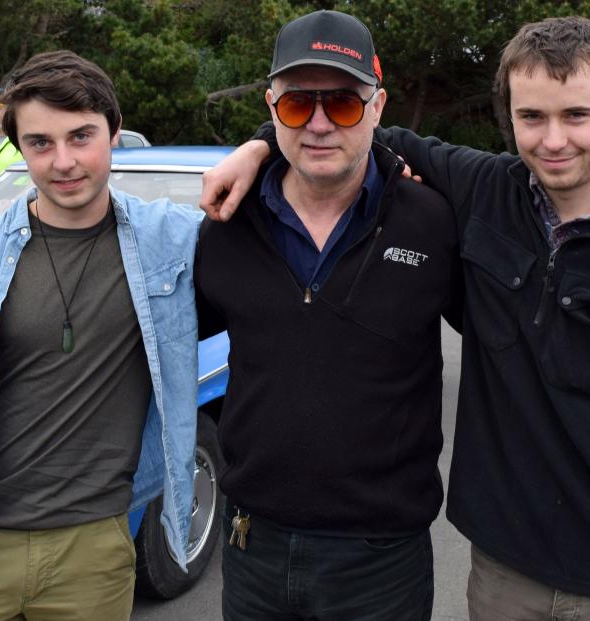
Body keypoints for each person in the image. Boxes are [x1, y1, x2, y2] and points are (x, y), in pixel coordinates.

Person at [202, 14, 590, 621]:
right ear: (508, 114)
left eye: (576, 115)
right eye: (532, 117)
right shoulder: (484, 191)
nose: (553, 139)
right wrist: (255, 145)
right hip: (503, 572)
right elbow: (332, 125)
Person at [0, 50, 201, 620]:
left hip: (94, 551)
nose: (64, 161)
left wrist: (256, 148)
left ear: (114, 131)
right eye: (40, 143)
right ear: (18, 147)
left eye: (81, 136)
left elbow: (284, 200)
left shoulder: (171, 243)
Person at [194, 10, 462, 620]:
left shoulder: (431, 219)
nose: (318, 124)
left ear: (377, 106)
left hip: (381, 560)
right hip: (253, 546)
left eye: (342, 103)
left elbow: (510, 337)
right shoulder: (227, 225)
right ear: (271, 104)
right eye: (296, 105)